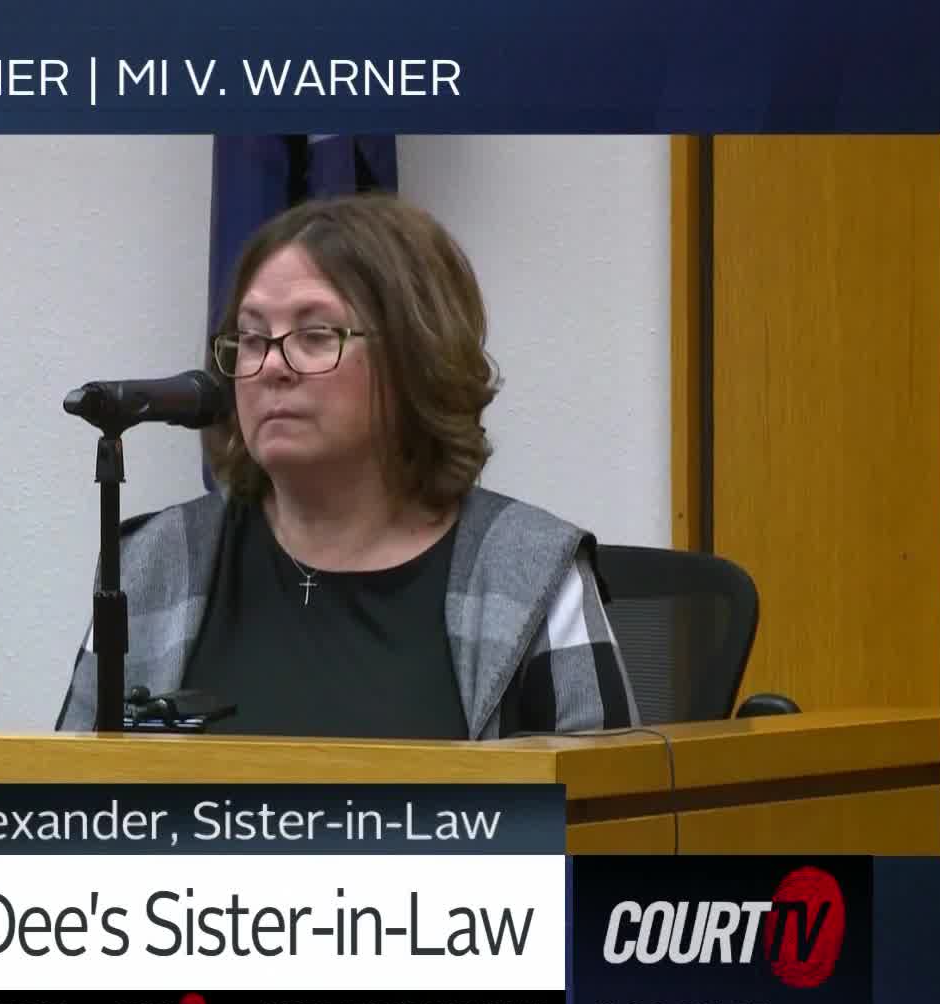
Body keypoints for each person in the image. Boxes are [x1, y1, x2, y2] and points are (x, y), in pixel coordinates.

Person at [57, 194, 637, 739]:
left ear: (416, 358)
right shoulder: (154, 562)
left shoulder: (530, 574)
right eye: (252, 339)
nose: (270, 368)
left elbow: (608, 826)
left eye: (315, 335)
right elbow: (67, 817)